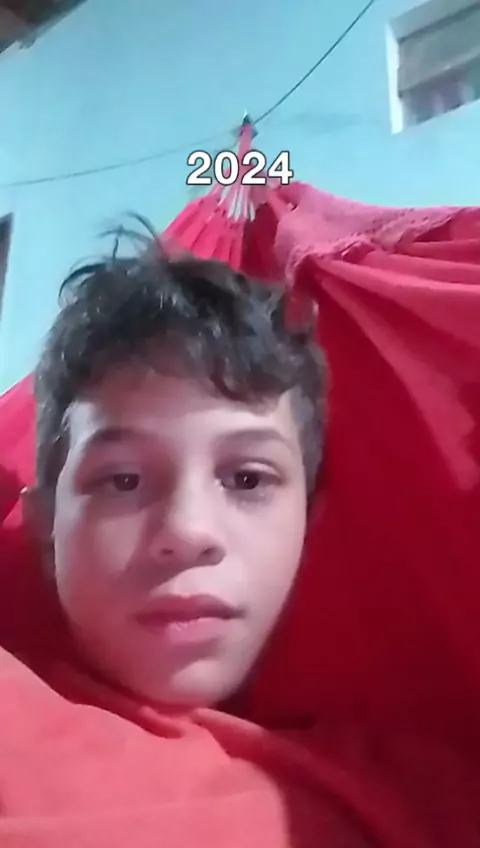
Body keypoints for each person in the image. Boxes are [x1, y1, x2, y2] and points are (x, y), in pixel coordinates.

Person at [24, 226, 326, 710]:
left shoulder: (406, 758)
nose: (187, 531)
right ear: (45, 525)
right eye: (124, 480)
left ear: (309, 521)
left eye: (247, 479)